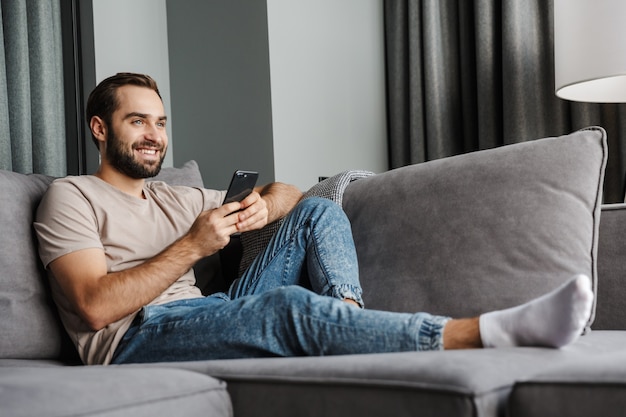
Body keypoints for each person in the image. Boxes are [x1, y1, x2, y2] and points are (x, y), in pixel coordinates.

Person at [34, 72, 594, 366]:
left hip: (208, 312)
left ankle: (350, 327)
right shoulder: (71, 197)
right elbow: (92, 305)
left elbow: (288, 191)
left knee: (317, 211)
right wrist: (192, 247)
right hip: (136, 338)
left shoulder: (173, 198)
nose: (155, 136)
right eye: (138, 121)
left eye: (160, 122)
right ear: (100, 128)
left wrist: (267, 205)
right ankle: (487, 332)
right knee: (286, 307)